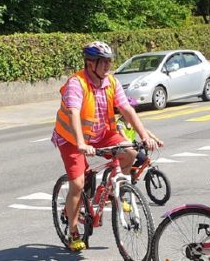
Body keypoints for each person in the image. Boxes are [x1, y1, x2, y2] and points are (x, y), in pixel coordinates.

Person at [53, 41, 162, 252]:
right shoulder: (77, 83)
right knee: (77, 183)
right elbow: (75, 113)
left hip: (102, 133)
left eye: (110, 61)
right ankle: (73, 230)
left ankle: (115, 189)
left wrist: (143, 135)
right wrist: (81, 143)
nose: (108, 65)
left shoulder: (111, 82)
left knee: (130, 153)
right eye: (103, 62)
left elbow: (126, 109)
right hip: (72, 138)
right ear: (90, 63)